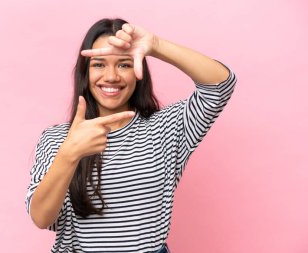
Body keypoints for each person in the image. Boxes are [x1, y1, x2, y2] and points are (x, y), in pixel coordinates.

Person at [25, 18, 237, 253]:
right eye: (99, 64)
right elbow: (41, 218)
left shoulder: (166, 128)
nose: (111, 76)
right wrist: (69, 154)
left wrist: (155, 45)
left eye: (124, 64)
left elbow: (221, 85)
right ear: (85, 73)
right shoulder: (56, 139)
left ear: (138, 72)